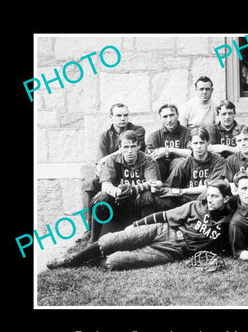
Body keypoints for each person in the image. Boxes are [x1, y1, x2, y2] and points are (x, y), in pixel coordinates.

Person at [46, 181, 234, 271]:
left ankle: (90, 259)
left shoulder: (229, 224)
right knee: (113, 239)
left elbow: (235, 244)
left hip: (173, 250)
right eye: (209, 195)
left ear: (225, 199)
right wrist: (135, 224)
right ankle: (70, 260)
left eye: (215, 196)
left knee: (115, 262)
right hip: (163, 229)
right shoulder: (195, 206)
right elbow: (164, 215)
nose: (210, 200)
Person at [81, 103, 146, 239]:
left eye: (125, 115)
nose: (123, 118)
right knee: (90, 184)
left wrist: (108, 157)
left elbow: (129, 149)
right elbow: (100, 162)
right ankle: (90, 229)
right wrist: (103, 164)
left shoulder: (137, 130)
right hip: (112, 172)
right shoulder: (104, 136)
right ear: (111, 117)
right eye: (118, 115)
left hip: (132, 170)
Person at [89, 130, 160, 242]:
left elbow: (152, 182)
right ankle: (93, 239)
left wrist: (134, 190)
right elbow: (105, 185)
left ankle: (148, 238)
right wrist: (117, 192)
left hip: (138, 204)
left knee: (148, 195)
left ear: (139, 146)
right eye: (126, 147)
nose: (130, 151)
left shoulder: (148, 160)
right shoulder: (113, 160)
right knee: (101, 197)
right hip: (119, 204)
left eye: (133, 146)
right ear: (120, 147)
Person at [155, 127, 226, 210]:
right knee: (160, 198)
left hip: (208, 199)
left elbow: (213, 186)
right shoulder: (184, 164)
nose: (199, 147)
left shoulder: (218, 160)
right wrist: (158, 187)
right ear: (190, 144)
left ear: (208, 143)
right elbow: (169, 186)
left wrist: (184, 191)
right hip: (188, 202)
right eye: (195, 143)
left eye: (202, 143)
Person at [146, 103, 192, 182]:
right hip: (161, 172)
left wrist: (169, 150)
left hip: (183, 173)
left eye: (171, 115)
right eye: (165, 116)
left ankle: (168, 188)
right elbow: (149, 158)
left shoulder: (189, 133)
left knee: (179, 162)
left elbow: (193, 153)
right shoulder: (155, 136)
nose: (169, 120)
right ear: (160, 118)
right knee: (156, 163)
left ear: (178, 115)